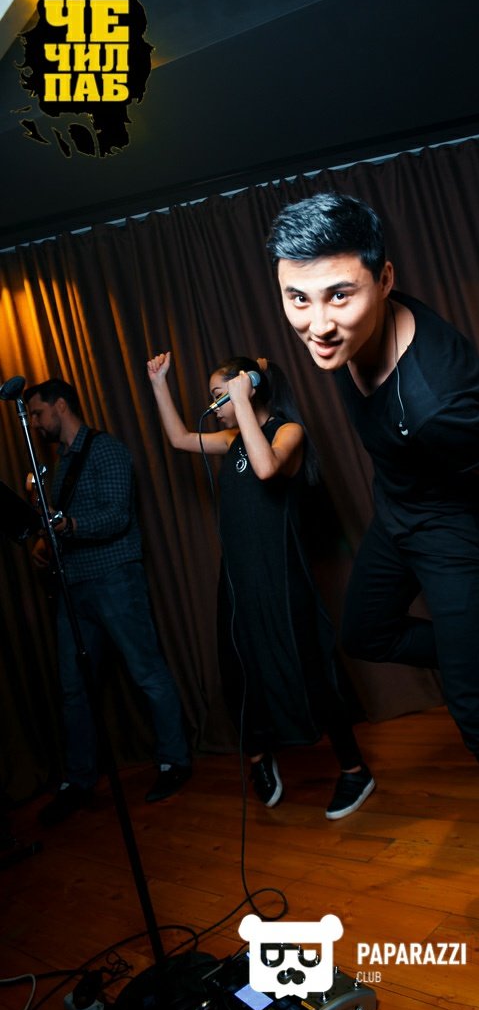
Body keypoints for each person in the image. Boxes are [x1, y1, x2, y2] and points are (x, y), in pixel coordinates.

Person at [266, 191, 479, 1010]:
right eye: (298, 298)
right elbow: (327, 326)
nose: (317, 325)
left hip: (453, 530)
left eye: (339, 295)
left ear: (385, 279)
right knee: (364, 630)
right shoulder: (342, 335)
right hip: (397, 513)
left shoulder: (443, 396)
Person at [146, 351, 375, 819]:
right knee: (238, 672)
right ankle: (258, 759)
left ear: (247, 389)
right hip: (238, 579)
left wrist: (244, 400)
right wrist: (158, 383)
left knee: (311, 669)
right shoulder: (231, 438)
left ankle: (355, 770)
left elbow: (267, 467)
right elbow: (179, 439)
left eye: (221, 395)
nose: (215, 406)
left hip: (281, 577)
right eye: (215, 398)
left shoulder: (288, 432)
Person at [25, 379, 192, 825]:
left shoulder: (107, 450)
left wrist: (69, 525)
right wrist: (46, 538)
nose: (35, 423)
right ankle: (78, 781)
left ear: (61, 406)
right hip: (73, 586)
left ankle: (174, 762)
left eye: (38, 413)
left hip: (115, 579)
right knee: (74, 689)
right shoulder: (59, 464)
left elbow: (117, 516)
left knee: (146, 672)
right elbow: (64, 522)